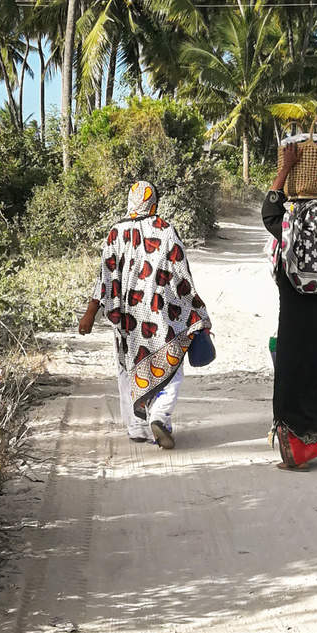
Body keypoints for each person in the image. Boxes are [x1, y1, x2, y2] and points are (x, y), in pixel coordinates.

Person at [78, 180, 212, 450]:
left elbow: (105, 278)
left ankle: (137, 427)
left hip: (128, 321)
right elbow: (182, 276)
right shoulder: (166, 231)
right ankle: (159, 415)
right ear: (155, 204)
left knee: (127, 369)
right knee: (170, 366)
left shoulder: (115, 233)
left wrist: (90, 313)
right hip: (161, 316)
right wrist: (199, 313)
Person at [262, 143, 317, 470]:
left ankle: (297, 455)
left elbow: (269, 211)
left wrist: (285, 167)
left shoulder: (290, 229)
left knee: (289, 384)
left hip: (294, 320)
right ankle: (315, 443)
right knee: (312, 380)